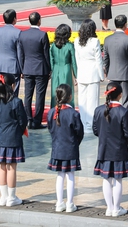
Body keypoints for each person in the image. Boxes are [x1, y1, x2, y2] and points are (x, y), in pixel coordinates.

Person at [93, 82, 128, 218]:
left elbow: (95, 130)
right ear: (120, 95)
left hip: (104, 150)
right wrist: (123, 142)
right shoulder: (123, 112)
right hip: (119, 150)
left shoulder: (99, 110)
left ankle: (109, 208)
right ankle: (116, 208)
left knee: (106, 179)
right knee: (118, 180)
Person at [0, 73, 29, 207]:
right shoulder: (16, 102)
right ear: (13, 86)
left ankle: (3, 197)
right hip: (13, 138)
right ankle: (11, 198)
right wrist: (18, 131)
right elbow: (23, 121)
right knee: (11, 168)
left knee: (2, 167)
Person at [47, 83, 85, 213]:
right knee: (70, 176)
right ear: (69, 97)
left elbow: (51, 129)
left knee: (60, 175)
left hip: (57, 147)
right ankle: (70, 203)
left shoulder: (52, 112)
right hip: (70, 148)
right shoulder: (73, 113)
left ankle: (59, 203)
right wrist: (74, 143)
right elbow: (79, 132)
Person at [18, 12, 51, 129]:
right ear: (39, 21)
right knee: (39, 96)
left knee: (27, 95)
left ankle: (28, 119)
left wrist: (22, 68)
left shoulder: (23, 34)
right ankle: (37, 121)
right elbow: (46, 54)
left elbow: (20, 54)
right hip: (41, 69)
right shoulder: (42, 35)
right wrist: (49, 68)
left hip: (27, 68)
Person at [74, 19, 104, 133]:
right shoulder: (95, 41)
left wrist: (77, 74)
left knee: (82, 100)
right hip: (92, 73)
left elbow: (77, 59)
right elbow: (98, 60)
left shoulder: (77, 41)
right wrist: (101, 75)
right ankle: (90, 125)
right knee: (92, 101)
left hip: (82, 72)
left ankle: (82, 122)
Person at [103, 15, 128, 110]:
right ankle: (126, 119)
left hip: (112, 73)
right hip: (126, 74)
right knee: (127, 99)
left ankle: (113, 117)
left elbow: (106, 59)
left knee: (112, 98)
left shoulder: (107, 39)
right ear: (125, 25)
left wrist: (107, 72)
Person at [0, 9, 23, 93]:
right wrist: (22, 68)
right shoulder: (18, 32)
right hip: (13, 66)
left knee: (1, 90)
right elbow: (19, 53)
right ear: (14, 19)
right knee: (13, 92)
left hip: (1, 65)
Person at [50, 23, 77, 109]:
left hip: (56, 69)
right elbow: (74, 62)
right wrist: (76, 75)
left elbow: (51, 61)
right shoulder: (69, 46)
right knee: (67, 91)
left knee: (55, 92)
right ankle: (68, 108)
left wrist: (51, 72)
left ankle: (54, 110)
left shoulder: (53, 46)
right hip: (66, 69)